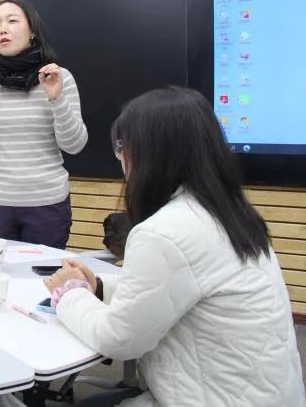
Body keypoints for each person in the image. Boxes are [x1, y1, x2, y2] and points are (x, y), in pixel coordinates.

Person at [44, 87, 305, 406]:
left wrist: (69, 293)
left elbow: (118, 340)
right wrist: (98, 287)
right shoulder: (231, 213)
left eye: (122, 146)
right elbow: (178, 291)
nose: (120, 158)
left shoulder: (165, 232)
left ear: (151, 153)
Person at [0, 0, 87, 248]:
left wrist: (56, 98)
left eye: (12, 21)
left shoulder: (58, 77)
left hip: (47, 204)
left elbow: (74, 145)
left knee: (42, 273)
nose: (2, 29)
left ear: (33, 32)